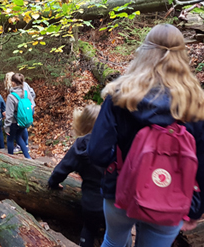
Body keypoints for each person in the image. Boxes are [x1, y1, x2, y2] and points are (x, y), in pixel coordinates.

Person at [87, 24, 204, 247]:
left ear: (144, 51)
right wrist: (196, 210)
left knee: (113, 241)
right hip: (172, 197)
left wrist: (122, 164)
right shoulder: (196, 104)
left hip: (120, 191)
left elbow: (97, 152)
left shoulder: (119, 95)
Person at [48, 104, 107, 247]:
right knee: (112, 234)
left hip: (91, 203)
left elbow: (61, 169)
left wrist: (53, 183)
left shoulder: (80, 146)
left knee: (89, 229)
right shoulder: (112, 141)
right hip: (113, 200)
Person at [4, 71, 36, 154]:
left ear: (13, 82)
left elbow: (9, 114)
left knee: (10, 139)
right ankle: (27, 157)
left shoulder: (11, 96)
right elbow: (32, 102)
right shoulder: (26, 92)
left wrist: (6, 127)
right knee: (18, 137)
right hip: (26, 116)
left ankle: (10, 159)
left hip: (15, 121)